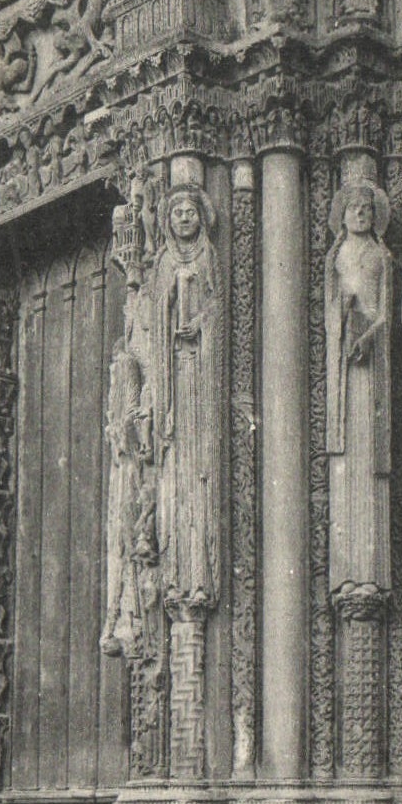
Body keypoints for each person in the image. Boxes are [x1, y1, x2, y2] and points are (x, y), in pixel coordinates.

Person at [150, 187, 224, 613]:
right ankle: (176, 575)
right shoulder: (162, 262)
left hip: (201, 378)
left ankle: (199, 576)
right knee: (175, 480)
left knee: (198, 477)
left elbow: (215, 308)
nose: (182, 217)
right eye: (176, 211)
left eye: (190, 210)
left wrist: (199, 323)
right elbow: (157, 311)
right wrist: (170, 305)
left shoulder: (208, 257)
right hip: (174, 379)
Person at [325, 182, 393, 601]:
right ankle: (346, 573)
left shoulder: (382, 257)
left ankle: (371, 572)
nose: (361, 212)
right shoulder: (336, 258)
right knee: (346, 464)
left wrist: (368, 335)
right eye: (353, 207)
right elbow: (329, 311)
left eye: (367, 208)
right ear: (343, 214)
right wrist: (341, 319)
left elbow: (387, 312)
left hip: (371, 366)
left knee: (368, 461)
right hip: (343, 373)